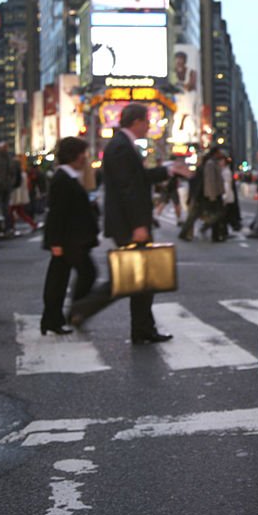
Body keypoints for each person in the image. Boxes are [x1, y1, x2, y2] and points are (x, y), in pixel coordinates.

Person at [68, 104, 191, 344]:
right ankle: (83, 309)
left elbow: (138, 179)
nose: (149, 126)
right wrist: (138, 224)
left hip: (131, 222)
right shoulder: (121, 147)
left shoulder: (122, 146)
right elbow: (128, 188)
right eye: (146, 121)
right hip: (129, 224)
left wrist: (167, 171)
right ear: (135, 121)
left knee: (142, 279)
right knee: (130, 278)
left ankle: (142, 329)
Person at [41, 137, 99, 336]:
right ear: (74, 155)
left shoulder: (70, 176)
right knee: (84, 273)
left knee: (59, 278)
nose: (85, 157)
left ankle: (54, 319)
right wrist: (55, 242)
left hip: (72, 238)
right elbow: (56, 212)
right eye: (83, 153)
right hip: (68, 240)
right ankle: (70, 313)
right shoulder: (62, 179)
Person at [0, 141, 19, 233]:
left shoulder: (7, 157)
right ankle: (2, 226)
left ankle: (6, 226)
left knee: (4, 207)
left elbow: (12, 170)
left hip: (4, 185)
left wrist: (11, 182)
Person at [202, 147, 226, 242]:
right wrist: (212, 196)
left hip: (217, 193)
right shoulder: (210, 163)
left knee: (218, 215)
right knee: (216, 215)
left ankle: (216, 235)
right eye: (219, 152)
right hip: (214, 195)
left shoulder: (214, 163)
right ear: (215, 153)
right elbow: (210, 181)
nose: (220, 154)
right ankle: (208, 229)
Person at [9, 158, 38, 232]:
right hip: (20, 196)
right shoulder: (23, 174)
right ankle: (32, 224)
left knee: (12, 212)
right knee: (20, 212)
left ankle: (12, 227)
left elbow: (15, 186)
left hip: (16, 196)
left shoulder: (17, 175)